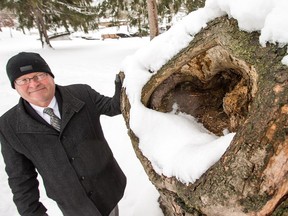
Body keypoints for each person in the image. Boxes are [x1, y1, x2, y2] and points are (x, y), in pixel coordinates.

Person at [0, 52, 126, 216]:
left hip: (108, 189)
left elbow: (113, 107)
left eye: (39, 75)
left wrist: (124, 85)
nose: (33, 84)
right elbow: (21, 179)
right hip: (72, 205)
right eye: (24, 80)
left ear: (51, 76)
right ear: (15, 86)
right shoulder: (8, 126)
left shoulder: (82, 94)